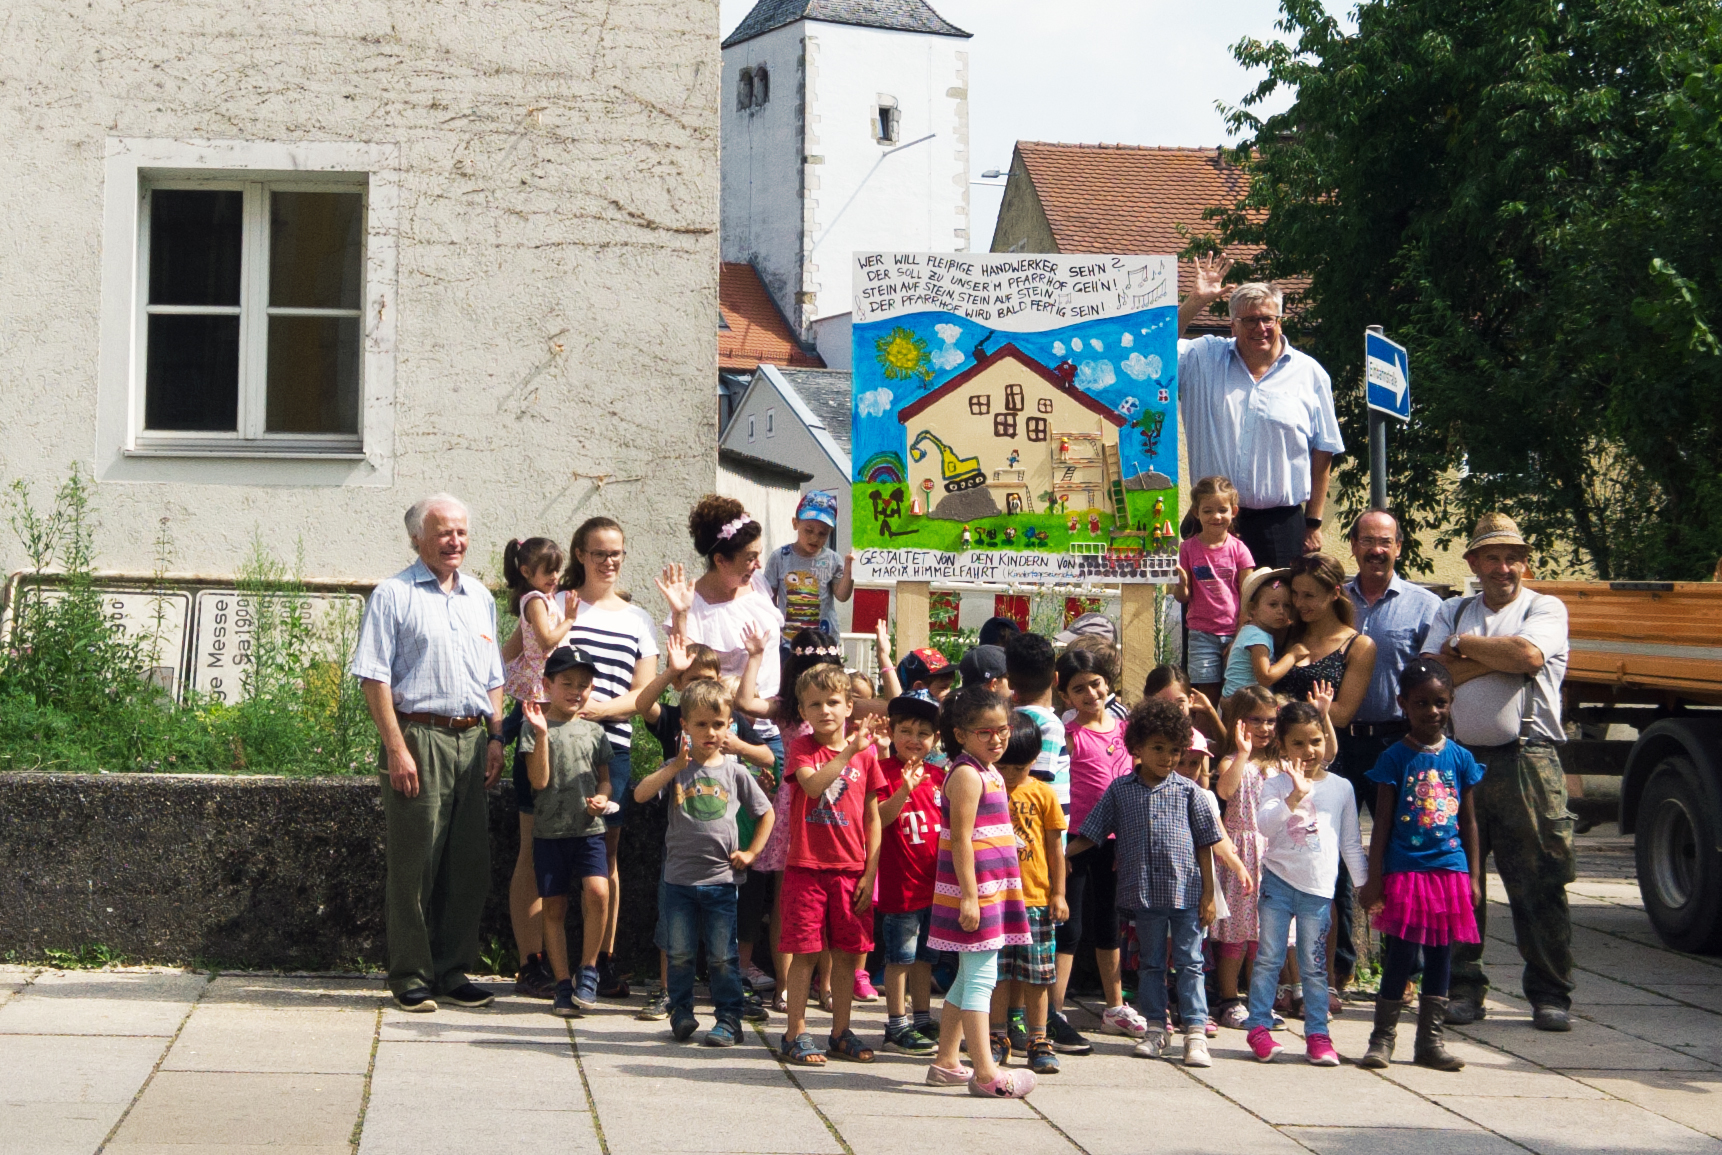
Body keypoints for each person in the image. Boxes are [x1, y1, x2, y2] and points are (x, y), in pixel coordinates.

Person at [349, 494, 503, 1014]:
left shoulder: (479, 596)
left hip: (472, 739)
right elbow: (374, 677)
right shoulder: (393, 595)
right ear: (418, 538)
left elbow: (493, 679)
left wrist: (497, 737)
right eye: (443, 533)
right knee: (416, 862)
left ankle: (454, 969)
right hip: (419, 737)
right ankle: (411, 974)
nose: (455, 541)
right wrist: (397, 748)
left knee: (468, 864)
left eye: (461, 532)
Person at [1423, 513, 1574, 1032]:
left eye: (1513, 557)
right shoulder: (1452, 608)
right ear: (1473, 563)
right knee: (1460, 881)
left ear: (1525, 563)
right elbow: (1430, 678)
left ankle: (1551, 994)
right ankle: (1463, 989)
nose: (1503, 567)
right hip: (1458, 761)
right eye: (1492, 557)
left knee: (1539, 881)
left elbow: (1530, 654)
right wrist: (1501, 658)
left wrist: (1463, 648)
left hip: (1527, 760)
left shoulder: (1545, 607)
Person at [1068, 699, 1222, 1068]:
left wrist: (1209, 895)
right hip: (1144, 895)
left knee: (1190, 962)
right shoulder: (1121, 791)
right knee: (1150, 963)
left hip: (1186, 893)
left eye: (1174, 750)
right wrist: (1061, 856)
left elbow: (1206, 845)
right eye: (1158, 748)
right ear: (1136, 747)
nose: (1168, 757)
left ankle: (1196, 1032)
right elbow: (1092, 832)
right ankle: (1156, 1028)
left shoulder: (1190, 793)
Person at [1331, 509, 1443, 991]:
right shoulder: (1336, 602)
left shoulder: (1424, 605)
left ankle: (1405, 971)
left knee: (1405, 855)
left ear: (1399, 547)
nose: (1377, 549)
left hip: (1400, 744)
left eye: (1386, 541)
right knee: (1334, 854)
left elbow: (1436, 679)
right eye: (1367, 540)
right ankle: (1340, 967)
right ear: (1352, 545)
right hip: (1341, 743)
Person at [631, 677, 775, 1047]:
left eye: (717, 724)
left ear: (729, 725)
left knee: (723, 957)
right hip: (679, 880)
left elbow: (767, 814)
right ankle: (681, 1013)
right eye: (700, 724)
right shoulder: (676, 767)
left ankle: (729, 1019)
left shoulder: (735, 771)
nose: (709, 732)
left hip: (721, 881)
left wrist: (752, 853)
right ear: (685, 726)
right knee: (678, 954)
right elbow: (640, 793)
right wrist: (674, 766)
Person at [1357, 659, 1483, 1072]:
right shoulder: (1394, 758)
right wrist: (1375, 878)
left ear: (1451, 703)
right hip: (1406, 871)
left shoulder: (1461, 759)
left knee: (1442, 954)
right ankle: (1382, 1039)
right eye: (1421, 703)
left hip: (1449, 871)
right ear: (1403, 705)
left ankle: (1430, 1042)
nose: (1432, 711)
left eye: (1440, 702)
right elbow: (1382, 825)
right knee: (1401, 955)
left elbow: (1468, 821)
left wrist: (1475, 877)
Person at [1176, 255, 1344, 566]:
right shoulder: (1201, 358)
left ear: (1280, 321)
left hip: (1278, 526)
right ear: (1232, 325)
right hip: (1211, 520)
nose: (1260, 328)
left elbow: (1324, 451)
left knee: (1277, 614)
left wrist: (1313, 522)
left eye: (1268, 318)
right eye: (1249, 320)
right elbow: (1153, 346)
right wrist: (1196, 300)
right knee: (1209, 615)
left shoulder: (1310, 374)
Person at [555, 516, 661, 1000]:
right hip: (554, 746)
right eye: (599, 552)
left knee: (607, 856)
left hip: (611, 748)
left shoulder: (637, 620)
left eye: (616, 552)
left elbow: (644, 694)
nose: (609, 561)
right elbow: (534, 669)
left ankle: (604, 960)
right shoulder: (560, 605)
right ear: (580, 554)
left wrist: (596, 710)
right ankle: (547, 963)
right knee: (547, 852)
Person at [924, 686, 1037, 1099]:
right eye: (984, 732)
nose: (997, 738)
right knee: (981, 979)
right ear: (961, 734)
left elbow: (985, 831)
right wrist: (970, 897)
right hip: (976, 893)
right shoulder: (968, 774)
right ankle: (986, 1072)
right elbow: (961, 839)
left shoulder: (988, 770)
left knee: (970, 976)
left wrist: (1009, 844)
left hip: (992, 889)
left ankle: (946, 1060)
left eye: (1002, 729)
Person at [1242, 694, 1364, 1066]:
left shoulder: (1341, 787)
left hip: (1318, 890)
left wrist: (1363, 886)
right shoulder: (1275, 784)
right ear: (1282, 744)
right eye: (1298, 742)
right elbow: (1263, 825)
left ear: (1325, 740)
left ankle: (1318, 1035)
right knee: (1269, 957)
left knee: (1313, 966)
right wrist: (1294, 796)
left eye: (1315, 741)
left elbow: (1350, 842)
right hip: (1278, 883)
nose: (1308, 750)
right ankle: (1259, 1027)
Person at [776, 665, 886, 1066]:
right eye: (815, 704)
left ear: (849, 706)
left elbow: (873, 816)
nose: (825, 711)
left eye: (833, 702)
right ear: (803, 712)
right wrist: (847, 752)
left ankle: (840, 1031)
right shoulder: (803, 749)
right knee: (804, 953)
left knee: (846, 953)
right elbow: (812, 785)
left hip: (850, 870)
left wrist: (870, 872)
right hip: (806, 867)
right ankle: (796, 1032)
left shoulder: (868, 754)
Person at [520, 646, 614, 1016]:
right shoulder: (534, 727)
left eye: (584, 685)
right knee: (554, 906)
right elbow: (538, 780)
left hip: (589, 828)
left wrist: (602, 800)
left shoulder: (594, 730)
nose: (576, 691)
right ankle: (562, 983)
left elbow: (606, 782)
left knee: (598, 891)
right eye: (567, 683)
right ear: (548, 684)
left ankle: (588, 970)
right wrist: (542, 734)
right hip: (550, 832)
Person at [1049, 648, 1136, 1048]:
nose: (1090, 693)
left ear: (1108, 684)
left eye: (1095, 684)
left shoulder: (1125, 732)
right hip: (1074, 843)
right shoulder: (1069, 735)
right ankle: (1053, 1009)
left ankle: (1114, 1007)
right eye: (1078, 688)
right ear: (1065, 695)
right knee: (1069, 926)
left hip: (1115, 842)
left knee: (1108, 922)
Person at [498, 535, 570, 1000]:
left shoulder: (529, 601)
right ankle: (533, 958)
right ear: (528, 572)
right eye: (548, 572)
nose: (555, 580)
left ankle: (539, 958)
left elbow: (508, 652)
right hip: (537, 708)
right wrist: (569, 624)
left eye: (557, 572)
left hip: (533, 703)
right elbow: (545, 639)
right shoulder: (538, 602)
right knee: (532, 840)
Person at [989, 711, 1068, 1076]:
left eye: (1018, 768)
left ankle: (1039, 1038)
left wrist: (1058, 894)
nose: (1009, 774)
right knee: (1000, 973)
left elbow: (1055, 849)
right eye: (1003, 766)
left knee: (1037, 975)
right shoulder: (984, 788)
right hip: (997, 899)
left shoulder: (1043, 793)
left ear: (1034, 761)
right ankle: (997, 1035)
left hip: (1035, 899)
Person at [873, 690, 947, 1055]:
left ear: (935, 739)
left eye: (924, 733)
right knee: (899, 957)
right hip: (900, 886)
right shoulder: (883, 772)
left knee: (925, 958)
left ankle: (921, 1017)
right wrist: (905, 788)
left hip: (935, 886)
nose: (914, 740)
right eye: (906, 730)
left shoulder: (941, 775)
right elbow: (881, 818)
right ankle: (895, 1025)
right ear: (891, 731)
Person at [1209, 685, 1279, 1029]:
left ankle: (1259, 999)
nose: (1265, 728)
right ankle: (1229, 998)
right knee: (1235, 932)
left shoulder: (1278, 764)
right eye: (1257, 720)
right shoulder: (1231, 761)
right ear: (1239, 722)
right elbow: (1225, 790)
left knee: (1261, 934)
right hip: (1241, 853)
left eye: (1271, 721)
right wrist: (1241, 752)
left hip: (1271, 854)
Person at [1173, 475, 1255, 703]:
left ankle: (1232, 738)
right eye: (1208, 511)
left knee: (1236, 696)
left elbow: (1248, 598)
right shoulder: (1187, 549)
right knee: (1206, 696)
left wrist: (1239, 637)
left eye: (1222, 510)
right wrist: (1180, 584)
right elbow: (1183, 597)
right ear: (1196, 513)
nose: (1216, 517)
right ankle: (1206, 738)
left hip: (1234, 632)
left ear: (1234, 511)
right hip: (1201, 634)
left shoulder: (1239, 550)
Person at [1275, 555, 1378, 728]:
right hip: (1276, 746)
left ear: (1335, 593)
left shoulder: (1358, 646)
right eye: (1295, 593)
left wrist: (1278, 704)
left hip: (1324, 748)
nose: (1299, 603)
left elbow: (1342, 715)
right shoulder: (1285, 633)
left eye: (1309, 595)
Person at [761, 490, 855, 636]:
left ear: (830, 531)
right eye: (809, 530)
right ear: (795, 523)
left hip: (823, 639)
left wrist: (849, 569)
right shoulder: (779, 557)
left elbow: (842, 596)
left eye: (822, 533)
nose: (814, 538)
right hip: (789, 641)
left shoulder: (832, 559)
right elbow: (768, 600)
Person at [1221, 568, 1298, 698]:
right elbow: (1265, 677)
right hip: (1243, 704)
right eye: (1273, 605)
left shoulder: (1250, 630)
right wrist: (1293, 655)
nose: (1281, 611)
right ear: (1253, 609)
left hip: (1237, 699)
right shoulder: (1257, 637)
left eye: (1287, 606)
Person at [1143, 664, 1224, 746]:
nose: (1172, 709)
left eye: (1180, 702)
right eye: (1163, 703)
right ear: (1147, 701)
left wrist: (1210, 711)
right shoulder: (1138, 736)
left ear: (1190, 700)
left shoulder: (1195, 740)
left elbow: (1227, 750)